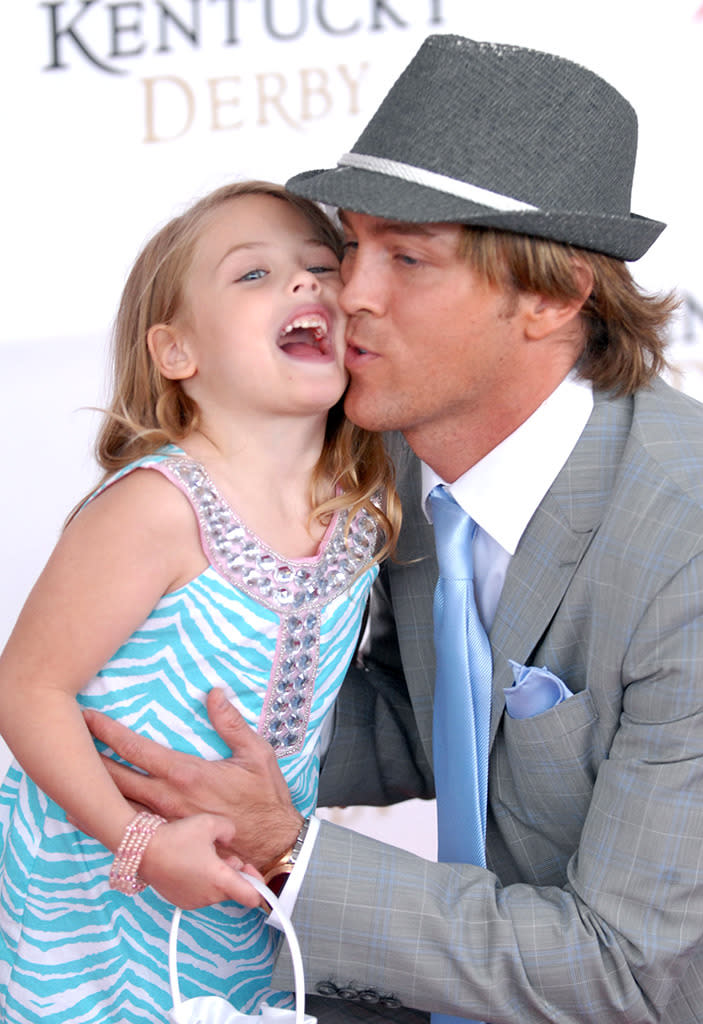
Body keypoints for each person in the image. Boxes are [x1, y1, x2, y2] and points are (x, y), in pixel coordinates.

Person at [82, 34, 703, 1024]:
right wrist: (140, 729)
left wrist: (289, 848)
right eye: (352, 243)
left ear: (551, 296)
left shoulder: (684, 548)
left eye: (407, 258)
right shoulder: (397, 452)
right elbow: (420, 717)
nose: (348, 292)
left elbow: (629, 975)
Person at [0, 180, 400, 1023]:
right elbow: (27, 688)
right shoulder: (157, 506)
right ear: (176, 351)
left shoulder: (361, 507)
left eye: (322, 267)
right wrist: (138, 844)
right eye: (252, 275)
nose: (305, 286)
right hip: (96, 883)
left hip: (243, 879)